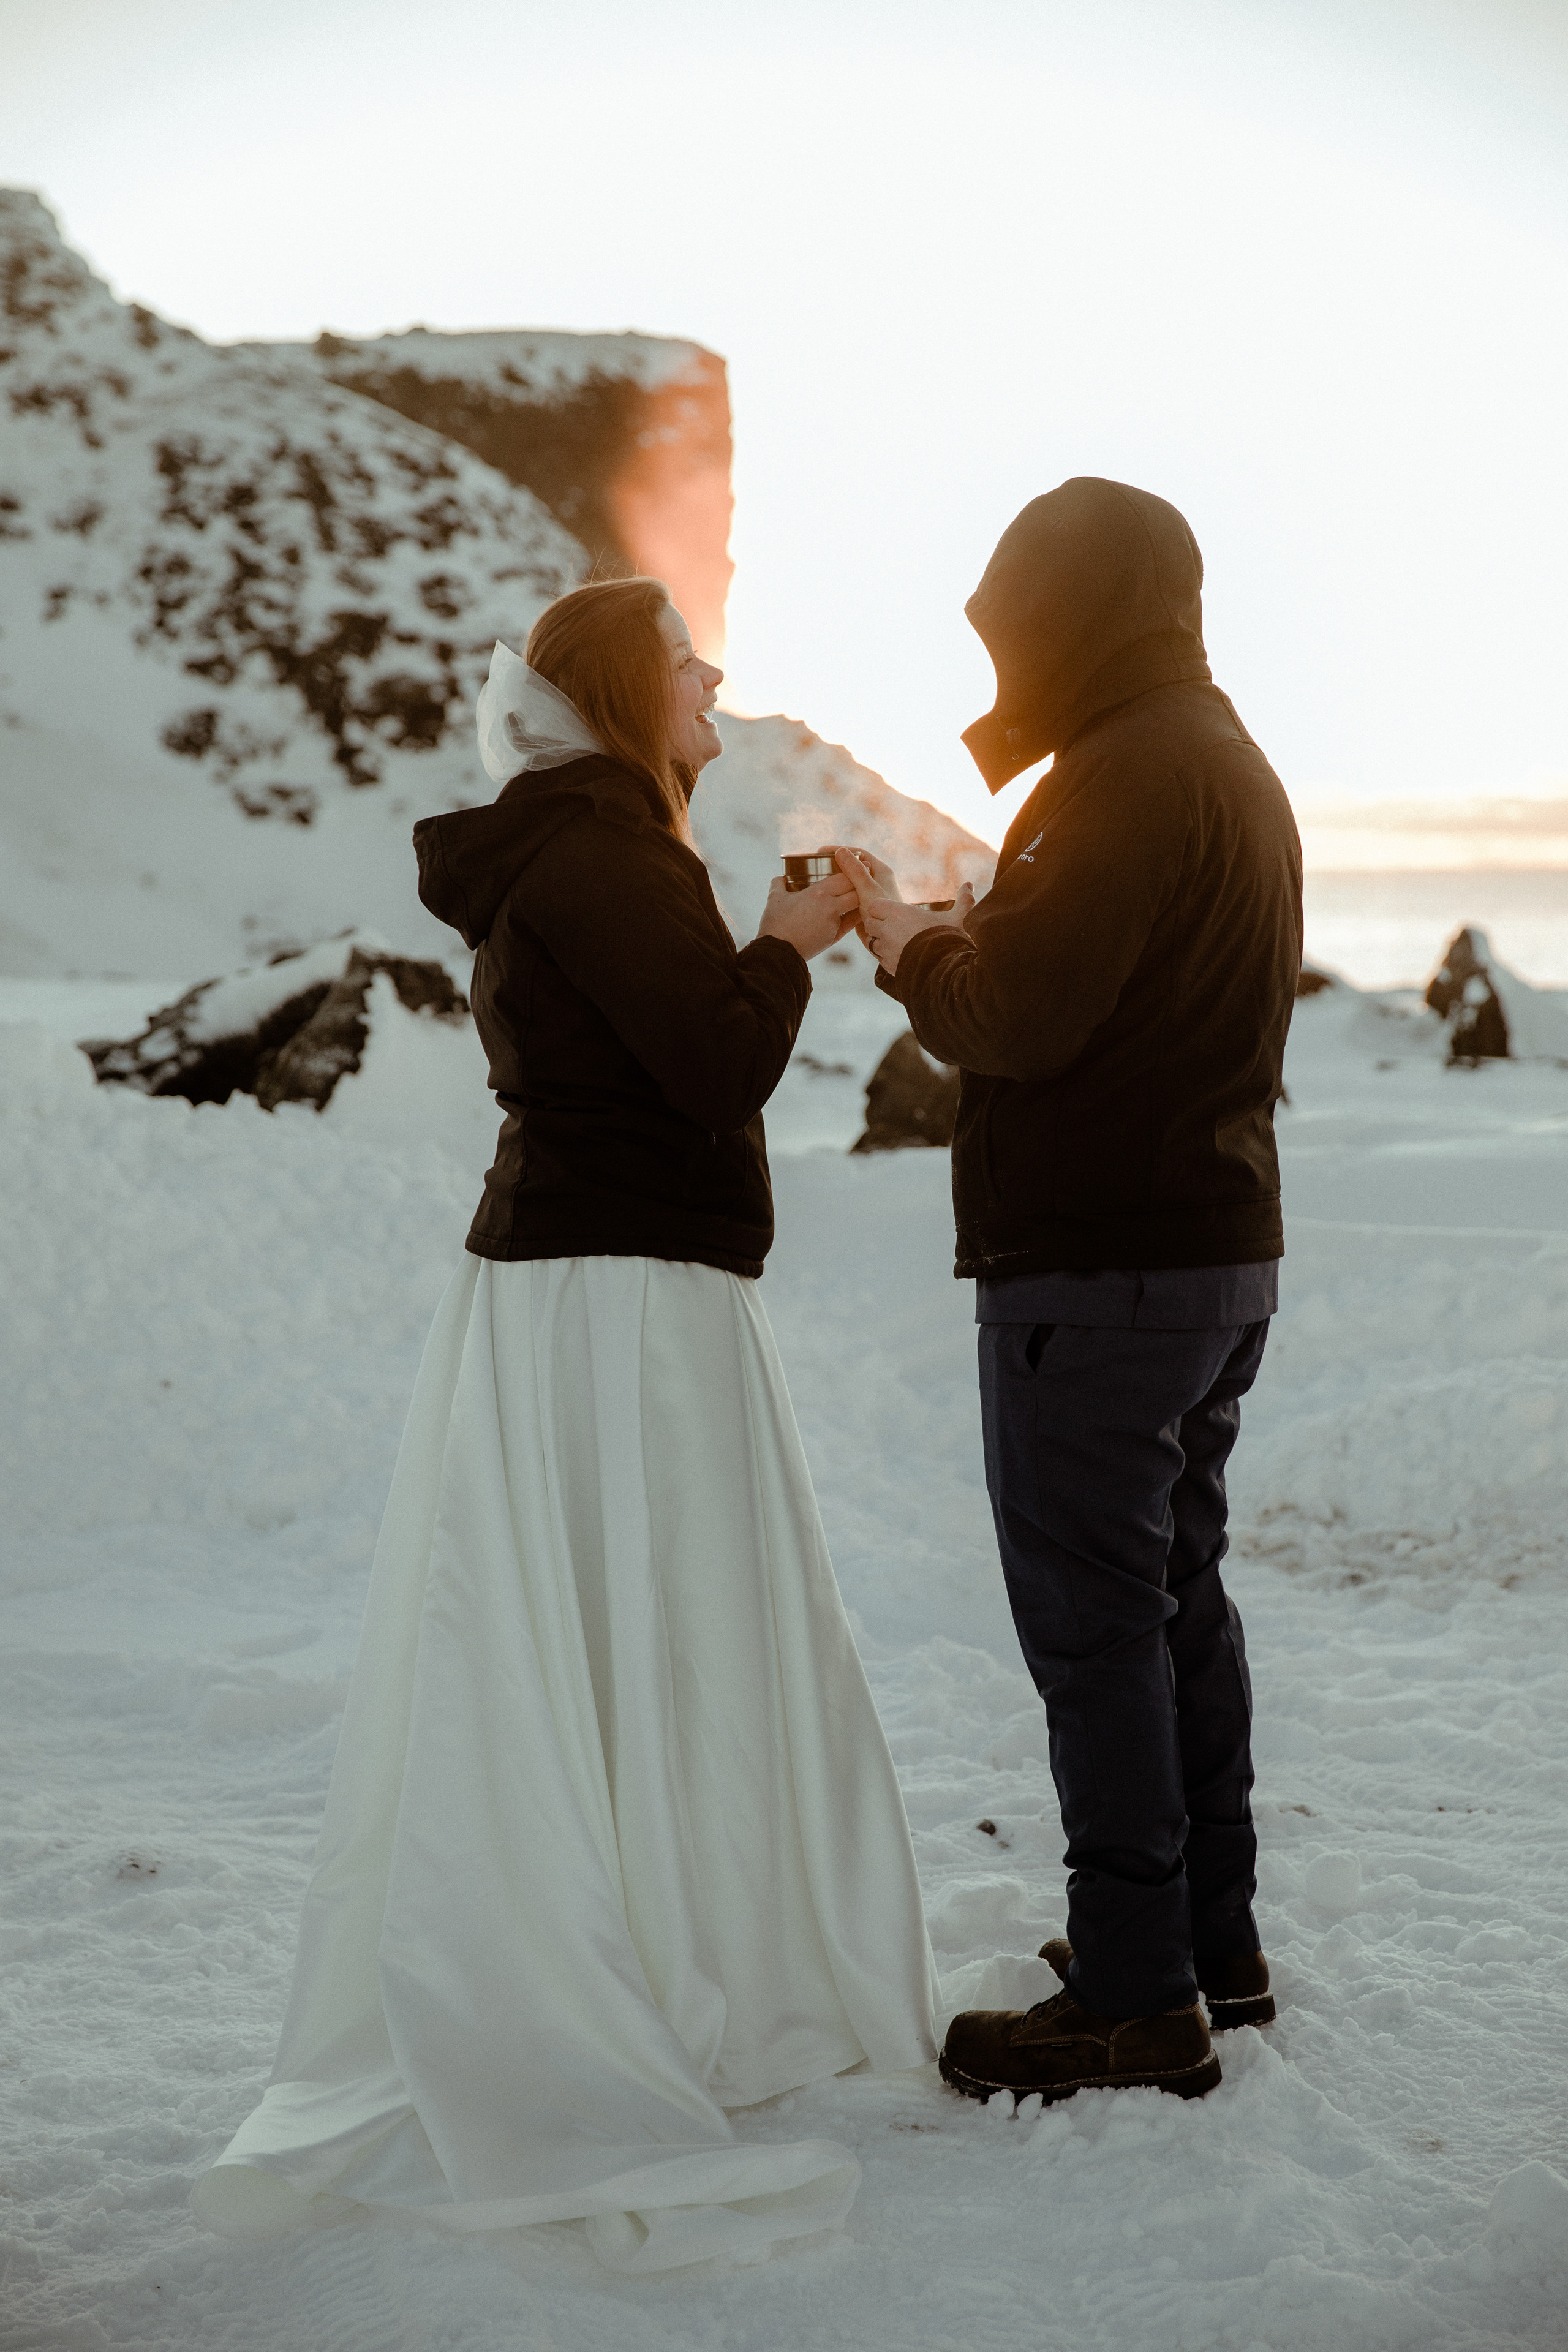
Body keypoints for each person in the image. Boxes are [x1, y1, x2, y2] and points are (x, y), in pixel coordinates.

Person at [193, 576, 939, 2272]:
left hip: (588, 1278)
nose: (712, 675)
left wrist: (759, 937)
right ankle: (672, 1964)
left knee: (615, 1623)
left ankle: (674, 1937)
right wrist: (786, 946)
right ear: (617, 689)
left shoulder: (579, 843)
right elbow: (713, 1069)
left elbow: (653, 1047)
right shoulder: (606, 849)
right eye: (685, 660)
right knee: (663, 1620)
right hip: (625, 1294)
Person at [838, 477, 1303, 2107]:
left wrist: (909, 945)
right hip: (1213, 1253)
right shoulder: (1222, 757)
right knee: (1177, 1606)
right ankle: (1208, 1949)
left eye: (1016, 624)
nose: (1005, 657)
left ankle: (1131, 1997)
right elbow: (1117, 988)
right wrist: (981, 930)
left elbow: (1020, 1022)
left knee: (1100, 1638)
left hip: (1100, 1278)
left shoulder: (1116, 773)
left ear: (1079, 615)